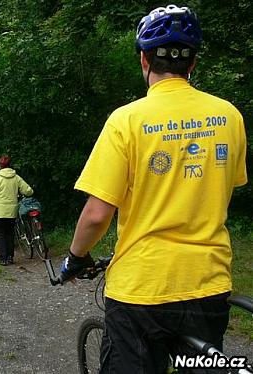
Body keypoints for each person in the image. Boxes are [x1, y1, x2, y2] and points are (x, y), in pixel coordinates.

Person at [60, 5, 248, 373]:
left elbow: (98, 214)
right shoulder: (229, 116)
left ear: (144, 60)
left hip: (140, 291)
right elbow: (225, 186)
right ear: (193, 63)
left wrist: (75, 256)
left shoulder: (126, 120)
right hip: (206, 285)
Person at [0, 156, 33, 265]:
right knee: (9, 234)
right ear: (10, 165)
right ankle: (10, 257)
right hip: (12, 212)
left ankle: (3, 258)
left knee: (0, 234)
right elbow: (28, 190)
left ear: (0, 165)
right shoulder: (16, 178)